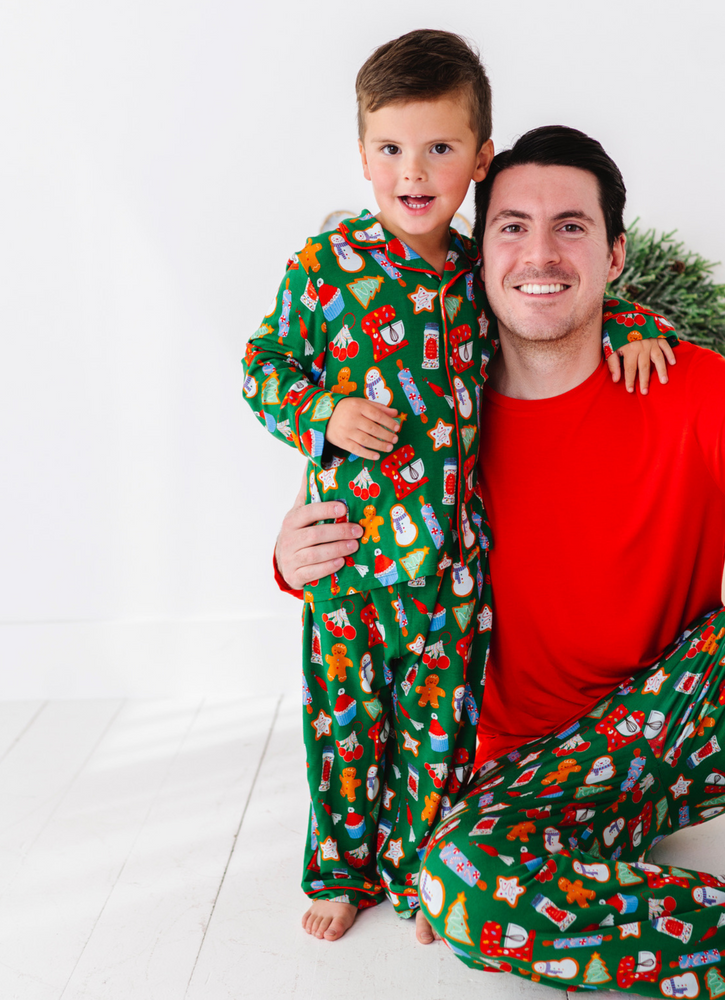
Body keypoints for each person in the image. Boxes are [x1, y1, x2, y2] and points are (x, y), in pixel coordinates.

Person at [277, 126, 725, 993]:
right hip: (519, 779)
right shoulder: (427, 409)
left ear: (615, 257)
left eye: (571, 227)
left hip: (681, 721)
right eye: (512, 227)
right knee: (458, 885)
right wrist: (294, 555)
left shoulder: (680, 385)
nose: (540, 251)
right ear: (476, 254)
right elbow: (361, 545)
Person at [241, 33, 672, 944]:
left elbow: (557, 289)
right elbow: (261, 370)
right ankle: (341, 871)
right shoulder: (326, 269)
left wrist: (635, 326)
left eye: (439, 148)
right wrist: (323, 413)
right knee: (347, 730)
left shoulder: (483, 268)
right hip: (351, 568)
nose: (413, 171)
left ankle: (415, 874)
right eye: (392, 149)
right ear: (363, 155)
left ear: (479, 158)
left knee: (437, 737)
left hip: (453, 572)